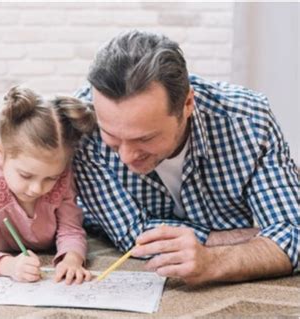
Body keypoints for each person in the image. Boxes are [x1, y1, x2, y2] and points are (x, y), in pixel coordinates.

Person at [73, 30, 299, 285]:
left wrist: (214, 260)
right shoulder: (80, 124)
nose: (125, 156)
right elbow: (133, 235)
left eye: (145, 139)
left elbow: (294, 234)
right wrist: (257, 237)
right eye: (111, 135)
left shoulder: (250, 121)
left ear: (188, 103)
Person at [0, 86, 95, 284]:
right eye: (26, 175)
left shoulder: (63, 176)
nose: (37, 189)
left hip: (32, 231)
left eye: (50, 178)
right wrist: (8, 265)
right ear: (1, 153)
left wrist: (72, 259)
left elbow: (71, 229)